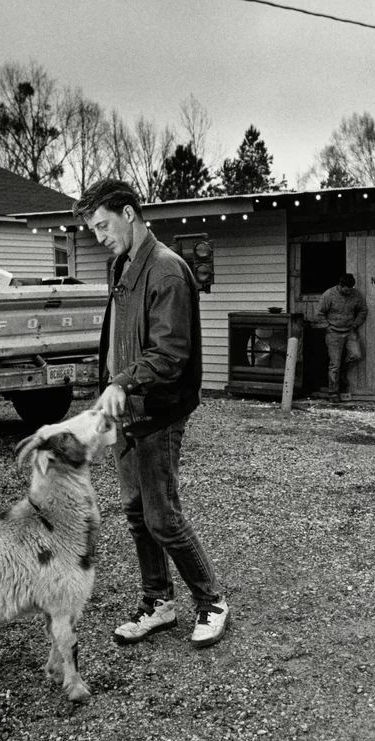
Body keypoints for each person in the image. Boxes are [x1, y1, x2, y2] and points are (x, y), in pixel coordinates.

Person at [73, 178, 229, 649]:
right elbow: (121, 337)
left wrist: (122, 382)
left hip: (157, 410)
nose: (99, 237)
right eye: (93, 229)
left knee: (162, 516)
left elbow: (170, 353)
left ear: (129, 213)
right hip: (126, 410)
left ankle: (212, 602)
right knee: (136, 512)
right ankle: (158, 602)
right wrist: (110, 387)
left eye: (103, 225)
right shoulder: (121, 264)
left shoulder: (166, 270)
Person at [317, 273, 368, 401]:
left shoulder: (355, 294)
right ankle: (333, 392)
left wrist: (355, 324)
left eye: (350, 289)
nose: (348, 292)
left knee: (356, 355)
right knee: (334, 364)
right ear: (340, 285)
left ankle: (343, 370)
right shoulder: (329, 294)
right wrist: (327, 327)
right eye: (346, 289)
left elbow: (363, 310)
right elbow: (319, 313)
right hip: (333, 332)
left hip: (350, 331)